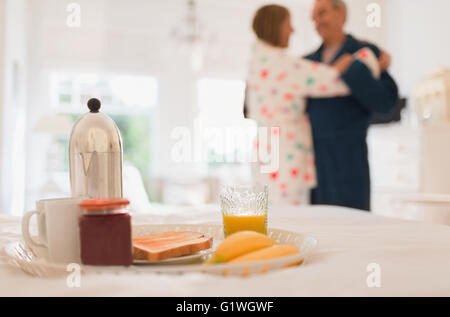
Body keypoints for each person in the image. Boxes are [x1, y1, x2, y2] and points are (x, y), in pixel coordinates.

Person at [245, 4, 382, 205]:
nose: (293, 31)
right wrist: (370, 60)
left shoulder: (256, 64)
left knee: (270, 214)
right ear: (276, 28)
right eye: (288, 25)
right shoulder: (284, 65)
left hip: (265, 152)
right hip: (286, 155)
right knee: (293, 219)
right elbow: (334, 82)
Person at [305, 0, 399, 211]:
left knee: (354, 225)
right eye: (313, 17)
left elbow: (386, 103)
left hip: (350, 158)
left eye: (322, 13)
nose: (316, 21)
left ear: (341, 14)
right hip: (314, 161)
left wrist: (355, 69)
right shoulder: (308, 62)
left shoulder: (367, 53)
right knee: (317, 226)